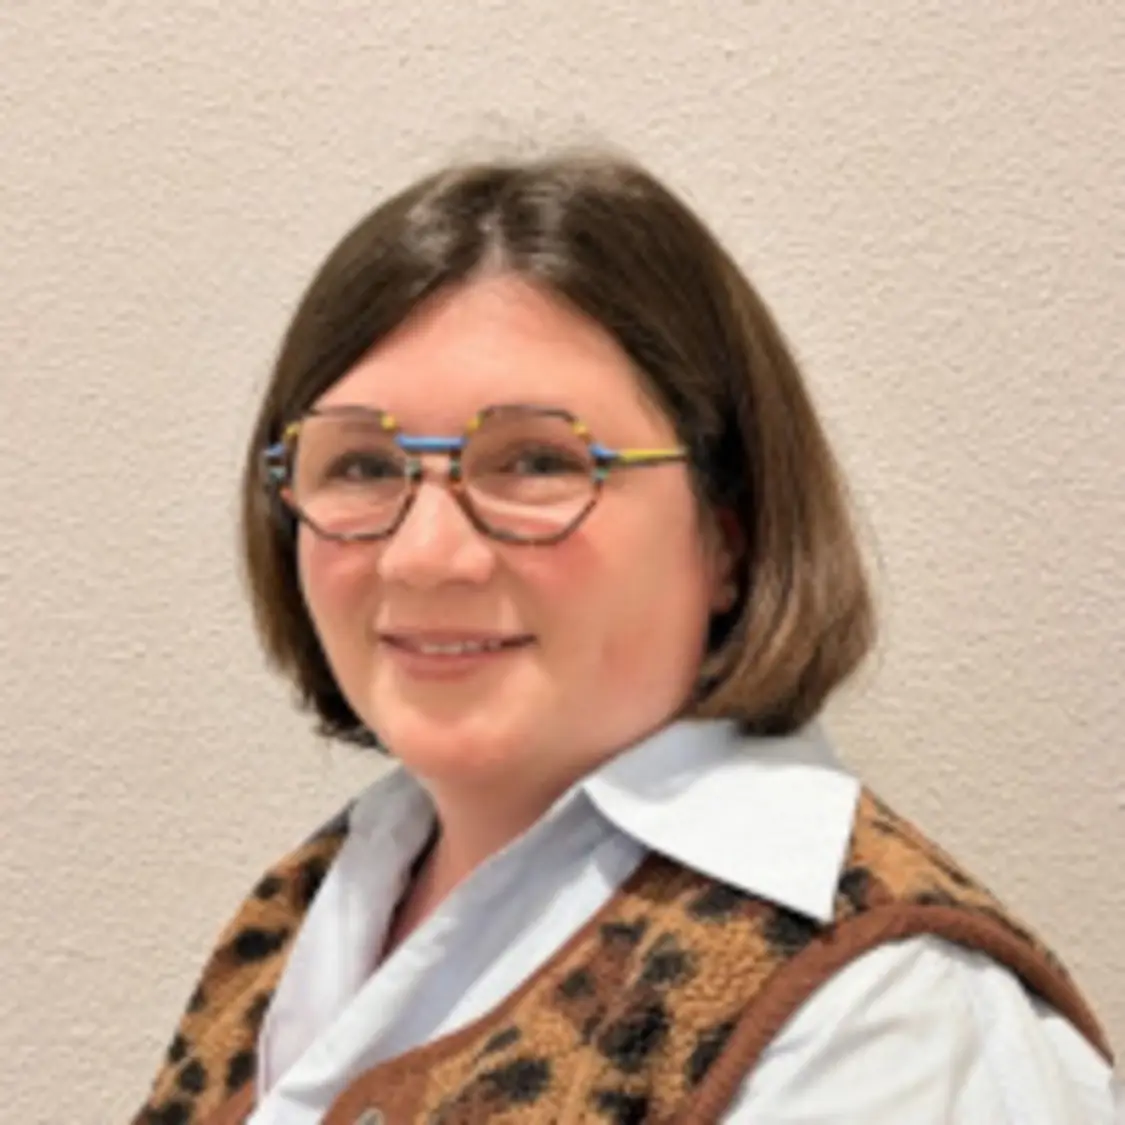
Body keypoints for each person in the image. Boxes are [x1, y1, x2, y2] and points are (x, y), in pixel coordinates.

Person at [131, 150, 1117, 1125]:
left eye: (535, 461)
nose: (424, 556)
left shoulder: (879, 1017)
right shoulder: (305, 907)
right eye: (360, 465)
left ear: (728, 532)